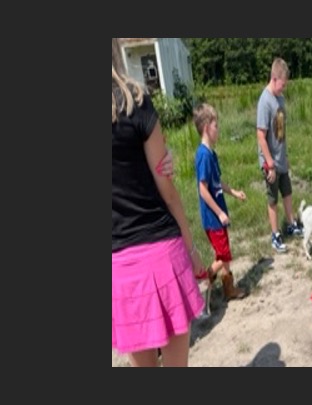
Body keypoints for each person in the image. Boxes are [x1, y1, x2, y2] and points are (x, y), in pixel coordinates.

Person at [112, 38, 206, 367]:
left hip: (122, 270)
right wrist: (192, 249)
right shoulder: (136, 100)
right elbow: (166, 188)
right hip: (163, 254)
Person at [193, 103, 248, 300]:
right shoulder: (203, 156)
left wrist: (234, 192)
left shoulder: (212, 154)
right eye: (216, 126)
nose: (219, 130)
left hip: (218, 215)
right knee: (224, 255)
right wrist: (219, 213)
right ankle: (202, 280)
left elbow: (217, 183)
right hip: (212, 217)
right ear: (207, 127)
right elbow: (203, 189)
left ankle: (228, 289)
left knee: (223, 253)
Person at [256, 57, 303, 253]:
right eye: (282, 85)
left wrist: (285, 156)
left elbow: (281, 132)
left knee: (288, 191)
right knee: (273, 198)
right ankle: (275, 234)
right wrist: (270, 163)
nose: (283, 89)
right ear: (274, 79)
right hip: (270, 161)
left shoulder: (280, 99)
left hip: (281, 157)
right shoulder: (265, 101)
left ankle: (291, 223)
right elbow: (261, 135)